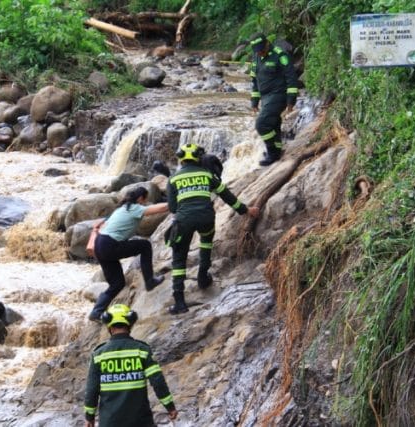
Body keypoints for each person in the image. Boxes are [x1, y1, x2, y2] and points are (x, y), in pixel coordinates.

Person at [166, 143, 260, 314]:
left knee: (179, 258)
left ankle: (179, 302)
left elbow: (172, 208)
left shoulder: (173, 179)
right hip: (206, 218)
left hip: (183, 221)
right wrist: (246, 210)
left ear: (181, 159)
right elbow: (226, 195)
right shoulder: (207, 174)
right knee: (206, 243)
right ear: (198, 158)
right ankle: (203, 277)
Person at [84, 304, 178, 427]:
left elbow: (92, 389)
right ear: (130, 324)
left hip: (110, 422)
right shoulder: (142, 350)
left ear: (109, 327)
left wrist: (89, 417)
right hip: (140, 421)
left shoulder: (99, 355)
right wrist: (170, 407)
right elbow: (157, 381)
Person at [88, 187, 168, 321]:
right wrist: (176, 200)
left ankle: (96, 312)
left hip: (100, 245)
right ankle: (149, 281)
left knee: (117, 284)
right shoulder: (134, 208)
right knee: (145, 245)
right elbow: (161, 208)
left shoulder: (121, 209)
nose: (146, 202)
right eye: (145, 199)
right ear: (140, 198)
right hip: (109, 245)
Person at [249, 32, 299, 166]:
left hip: (279, 95)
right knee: (273, 123)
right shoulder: (256, 59)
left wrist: (291, 100)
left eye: (262, 50)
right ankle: (276, 149)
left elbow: (291, 78)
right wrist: (254, 101)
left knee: (261, 124)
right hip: (265, 97)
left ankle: (272, 152)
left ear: (267, 43)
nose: (260, 53)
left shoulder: (280, 55)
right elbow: (254, 81)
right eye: (257, 52)